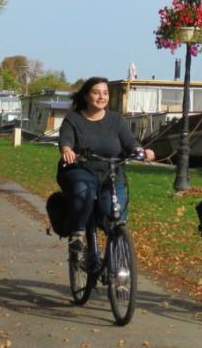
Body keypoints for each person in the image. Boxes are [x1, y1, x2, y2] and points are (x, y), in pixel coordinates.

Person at [57, 77, 155, 257]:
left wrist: (140, 151)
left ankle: (118, 270)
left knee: (116, 219)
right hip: (81, 169)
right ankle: (77, 234)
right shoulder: (74, 119)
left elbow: (129, 141)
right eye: (96, 92)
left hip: (110, 172)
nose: (101, 97)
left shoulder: (116, 120)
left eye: (105, 93)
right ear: (86, 96)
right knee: (83, 190)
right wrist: (67, 150)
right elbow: (66, 139)